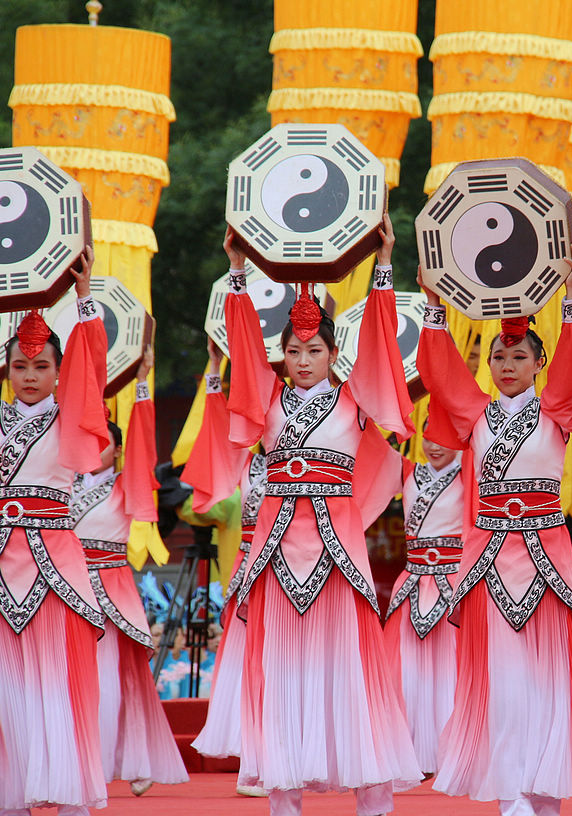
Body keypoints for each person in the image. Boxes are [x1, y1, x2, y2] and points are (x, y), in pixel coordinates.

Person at [224, 214, 422, 816]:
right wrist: (237, 271)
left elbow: (384, 340)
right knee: (279, 670)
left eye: (314, 350)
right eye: (293, 350)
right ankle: (284, 797)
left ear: (335, 354)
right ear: (279, 354)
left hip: (338, 554)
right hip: (276, 554)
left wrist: (384, 263)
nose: (303, 359)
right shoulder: (266, 397)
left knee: (352, 669)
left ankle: (374, 797)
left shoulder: (356, 397)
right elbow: (239, 344)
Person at [416, 243, 572, 816]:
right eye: (499, 358)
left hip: (546, 563)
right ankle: (511, 795)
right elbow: (437, 369)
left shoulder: (556, 407)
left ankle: (547, 793)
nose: (506, 366)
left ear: (538, 364)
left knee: (548, 683)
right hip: (488, 565)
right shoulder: (473, 412)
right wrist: (433, 298)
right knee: (501, 686)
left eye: (518, 356)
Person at [0, 249, 109, 816]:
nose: (29, 377)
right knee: (3, 686)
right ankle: (7, 796)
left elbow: (91, 368)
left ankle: (69, 794)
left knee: (57, 682)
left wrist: (84, 303)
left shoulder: (72, 415)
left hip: (55, 563)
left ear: (59, 372)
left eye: (40, 368)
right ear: (5, 371)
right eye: (19, 368)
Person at [70, 345, 189, 797]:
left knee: (112, 683)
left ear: (119, 450)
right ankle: (83, 761)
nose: (96, 447)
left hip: (112, 590)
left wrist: (142, 384)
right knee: (73, 681)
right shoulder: (63, 481)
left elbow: (144, 445)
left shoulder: (128, 486)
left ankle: (122, 760)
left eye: (106, 440)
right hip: (69, 585)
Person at [186, 338, 268, 773]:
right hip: (248, 571)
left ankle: (273, 756)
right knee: (244, 663)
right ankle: (252, 758)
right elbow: (217, 425)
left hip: (296, 563)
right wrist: (215, 366)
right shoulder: (242, 461)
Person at [382, 429, 463, 778]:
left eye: (442, 436)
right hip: (413, 581)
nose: (433, 445)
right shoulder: (406, 472)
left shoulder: (472, 473)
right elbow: (368, 445)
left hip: (455, 583)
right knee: (409, 673)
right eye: (427, 437)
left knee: (454, 670)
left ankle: (457, 752)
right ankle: (409, 753)